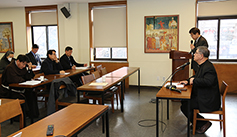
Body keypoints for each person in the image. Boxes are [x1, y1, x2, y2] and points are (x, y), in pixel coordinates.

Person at [179, 46, 220, 134]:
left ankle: (203, 123)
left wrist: (194, 80)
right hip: (204, 95)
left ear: (201, 56)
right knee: (184, 102)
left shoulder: (208, 67)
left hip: (208, 99)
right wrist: (187, 81)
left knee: (186, 106)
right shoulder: (202, 65)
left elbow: (208, 82)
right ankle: (197, 122)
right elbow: (196, 76)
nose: (194, 54)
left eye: (196, 53)